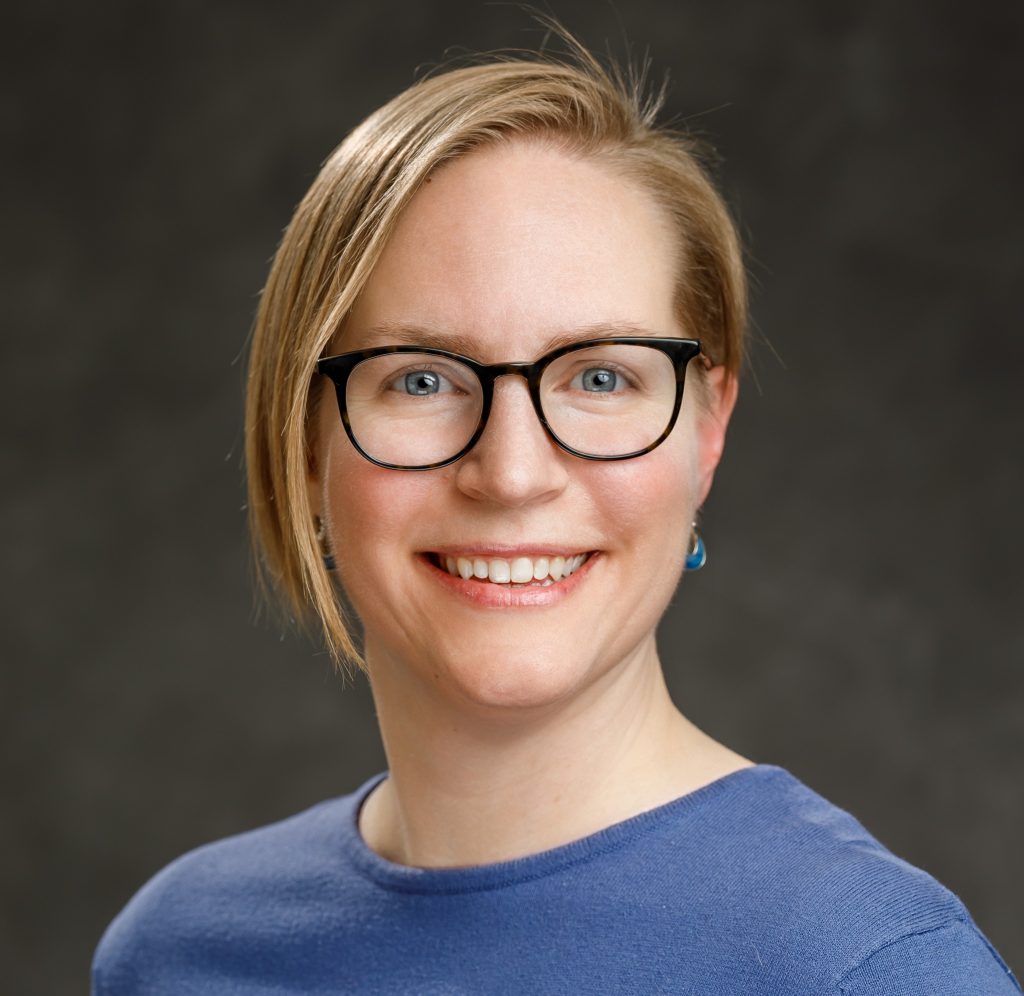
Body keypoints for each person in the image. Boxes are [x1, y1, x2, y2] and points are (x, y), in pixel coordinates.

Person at [92, 33, 1021, 996]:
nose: (511, 472)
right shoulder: (177, 950)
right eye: (421, 379)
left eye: (600, 377)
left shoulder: (868, 968)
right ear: (307, 437)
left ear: (707, 432)